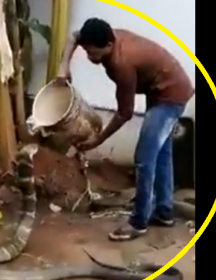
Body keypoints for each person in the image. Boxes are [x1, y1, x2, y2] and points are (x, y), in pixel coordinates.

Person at [56, 18, 194, 242]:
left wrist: (96, 141)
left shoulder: (122, 64)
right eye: (87, 52)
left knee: (144, 158)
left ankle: (138, 222)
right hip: (159, 88)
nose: (91, 58)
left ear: (109, 46)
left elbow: (124, 113)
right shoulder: (102, 35)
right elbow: (74, 36)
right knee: (161, 153)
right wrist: (64, 67)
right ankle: (164, 212)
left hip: (171, 96)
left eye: (94, 53)